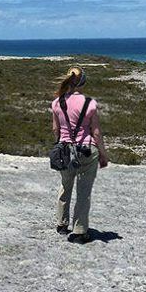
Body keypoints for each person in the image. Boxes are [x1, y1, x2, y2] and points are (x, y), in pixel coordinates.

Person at [50, 67, 109, 243]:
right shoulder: (89, 103)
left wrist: (62, 143)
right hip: (86, 151)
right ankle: (79, 230)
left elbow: (55, 129)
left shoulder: (57, 102)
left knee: (65, 186)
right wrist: (103, 155)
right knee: (84, 192)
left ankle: (62, 223)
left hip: (66, 150)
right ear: (82, 82)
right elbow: (96, 132)